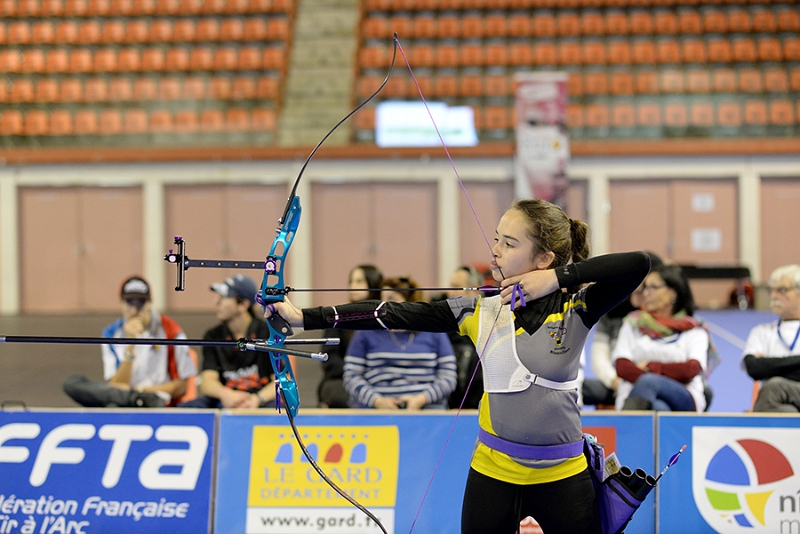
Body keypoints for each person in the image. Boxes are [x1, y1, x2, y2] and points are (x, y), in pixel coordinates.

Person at [266, 199, 650, 533]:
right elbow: (390, 313)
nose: (495, 250)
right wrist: (302, 317)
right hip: (493, 474)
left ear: (544, 259)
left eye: (509, 243)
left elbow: (638, 264)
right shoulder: (478, 311)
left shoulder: (576, 309)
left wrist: (555, 279)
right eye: (497, 238)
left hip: (562, 475)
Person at [63, 276, 196, 408]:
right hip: (125, 403)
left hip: (159, 403)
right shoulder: (110, 334)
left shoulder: (171, 331)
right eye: (129, 303)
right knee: (72, 383)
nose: (134, 310)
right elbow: (117, 385)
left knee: (113, 404)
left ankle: (140, 398)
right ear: (121, 303)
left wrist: (142, 391)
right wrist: (130, 345)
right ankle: (135, 399)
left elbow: (182, 387)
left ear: (150, 303)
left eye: (140, 303)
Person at [343, 277, 457, 410]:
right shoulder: (365, 331)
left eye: (391, 299)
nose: (384, 306)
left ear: (410, 304)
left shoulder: (434, 331)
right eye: (382, 299)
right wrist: (378, 401)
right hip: (376, 410)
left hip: (427, 409)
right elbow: (351, 376)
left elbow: (448, 377)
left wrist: (420, 400)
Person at [612, 265, 715, 412]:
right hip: (637, 394)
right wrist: (670, 373)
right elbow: (622, 367)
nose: (645, 293)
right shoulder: (633, 323)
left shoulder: (695, 329)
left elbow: (691, 369)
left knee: (648, 383)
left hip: (684, 396)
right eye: (645, 288)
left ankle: (625, 426)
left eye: (653, 287)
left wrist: (653, 368)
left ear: (673, 293)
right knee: (659, 407)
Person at [179, 274, 275, 409]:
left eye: (223, 298)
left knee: (278, 409)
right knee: (186, 409)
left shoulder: (267, 333)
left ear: (243, 305)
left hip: (260, 400)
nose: (216, 302)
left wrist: (257, 399)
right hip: (226, 400)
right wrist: (226, 395)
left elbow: (282, 381)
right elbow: (207, 382)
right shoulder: (213, 335)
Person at [583, 252, 664, 408]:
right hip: (615, 382)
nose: (641, 290)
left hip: (650, 383)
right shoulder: (611, 312)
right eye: (639, 282)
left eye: (649, 286)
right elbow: (599, 357)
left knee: (704, 393)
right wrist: (615, 381)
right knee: (575, 386)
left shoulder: (662, 318)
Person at [317, 264, 384, 408]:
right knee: (340, 395)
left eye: (359, 281)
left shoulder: (383, 319)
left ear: (373, 284)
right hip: (341, 379)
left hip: (377, 380)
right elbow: (329, 358)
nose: (353, 286)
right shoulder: (337, 317)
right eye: (351, 282)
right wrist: (355, 374)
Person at [743, 264, 800, 412]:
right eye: (771, 290)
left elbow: (762, 368)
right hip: (775, 403)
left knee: (774, 385)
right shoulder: (762, 331)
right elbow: (754, 368)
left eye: (782, 290)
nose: (774, 296)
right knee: (787, 411)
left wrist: (769, 365)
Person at [444, 265, 484, 409]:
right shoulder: (443, 327)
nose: (450, 293)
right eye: (450, 287)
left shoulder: (489, 324)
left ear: (475, 291)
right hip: (448, 406)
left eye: (456, 287)